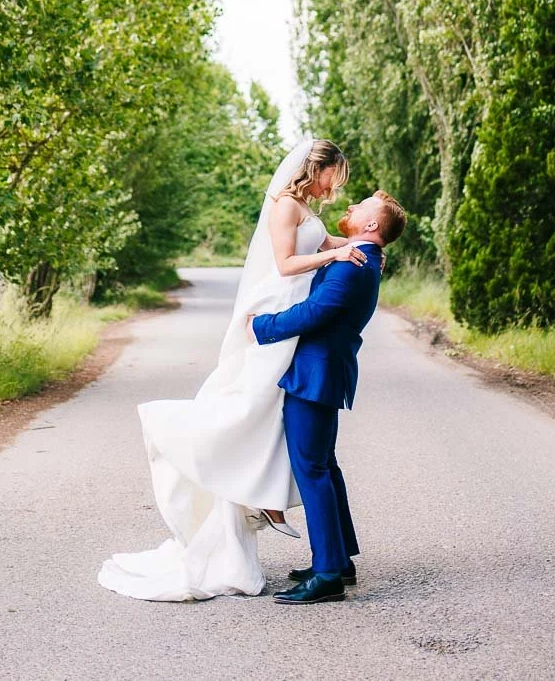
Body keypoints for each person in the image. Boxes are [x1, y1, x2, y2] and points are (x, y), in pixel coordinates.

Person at [98, 136, 360, 602]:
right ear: (314, 169)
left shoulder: (308, 211)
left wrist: (362, 243)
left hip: (299, 315)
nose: (334, 189)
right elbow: (285, 264)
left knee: (281, 414)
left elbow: (332, 241)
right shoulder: (284, 205)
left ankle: (272, 507)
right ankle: (248, 488)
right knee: (255, 402)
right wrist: (334, 255)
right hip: (280, 307)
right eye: (332, 178)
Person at [250, 188, 407, 605]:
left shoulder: (353, 265)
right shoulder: (360, 256)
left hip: (315, 375)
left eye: (361, 209)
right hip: (324, 372)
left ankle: (327, 576)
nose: (350, 206)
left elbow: (314, 313)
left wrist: (260, 326)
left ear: (371, 226)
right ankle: (340, 560)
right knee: (325, 467)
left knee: (313, 469)